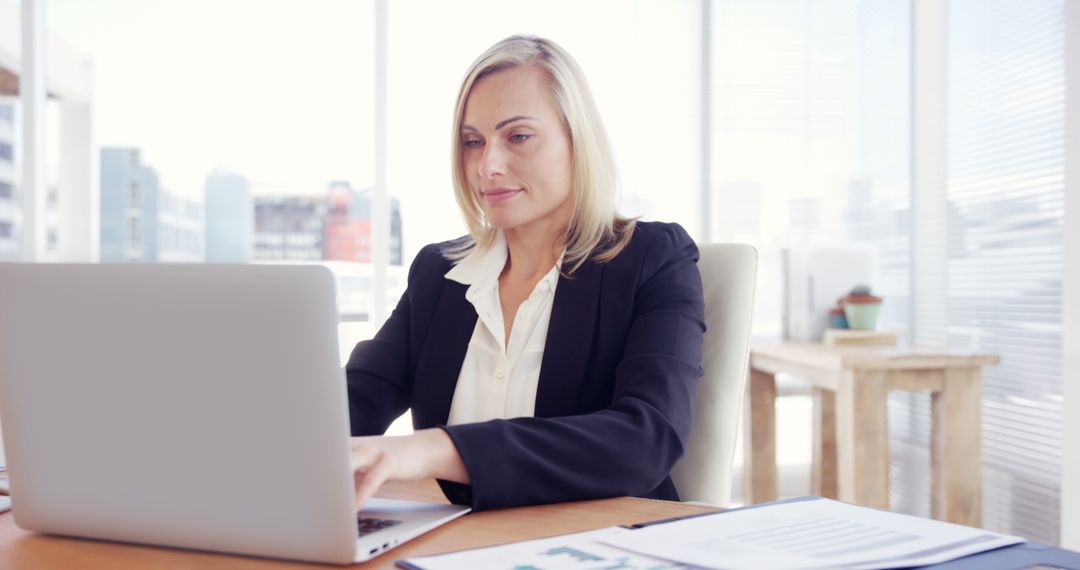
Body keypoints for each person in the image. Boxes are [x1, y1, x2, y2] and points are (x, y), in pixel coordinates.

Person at [345, 35, 705, 512]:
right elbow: (357, 399)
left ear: (577, 141)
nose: (487, 166)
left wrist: (435, 448)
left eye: (518, 137)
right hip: (460, 544)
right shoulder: (440, 274)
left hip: (601, 545)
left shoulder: (653, 258)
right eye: (473, 142)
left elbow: (647, 438)